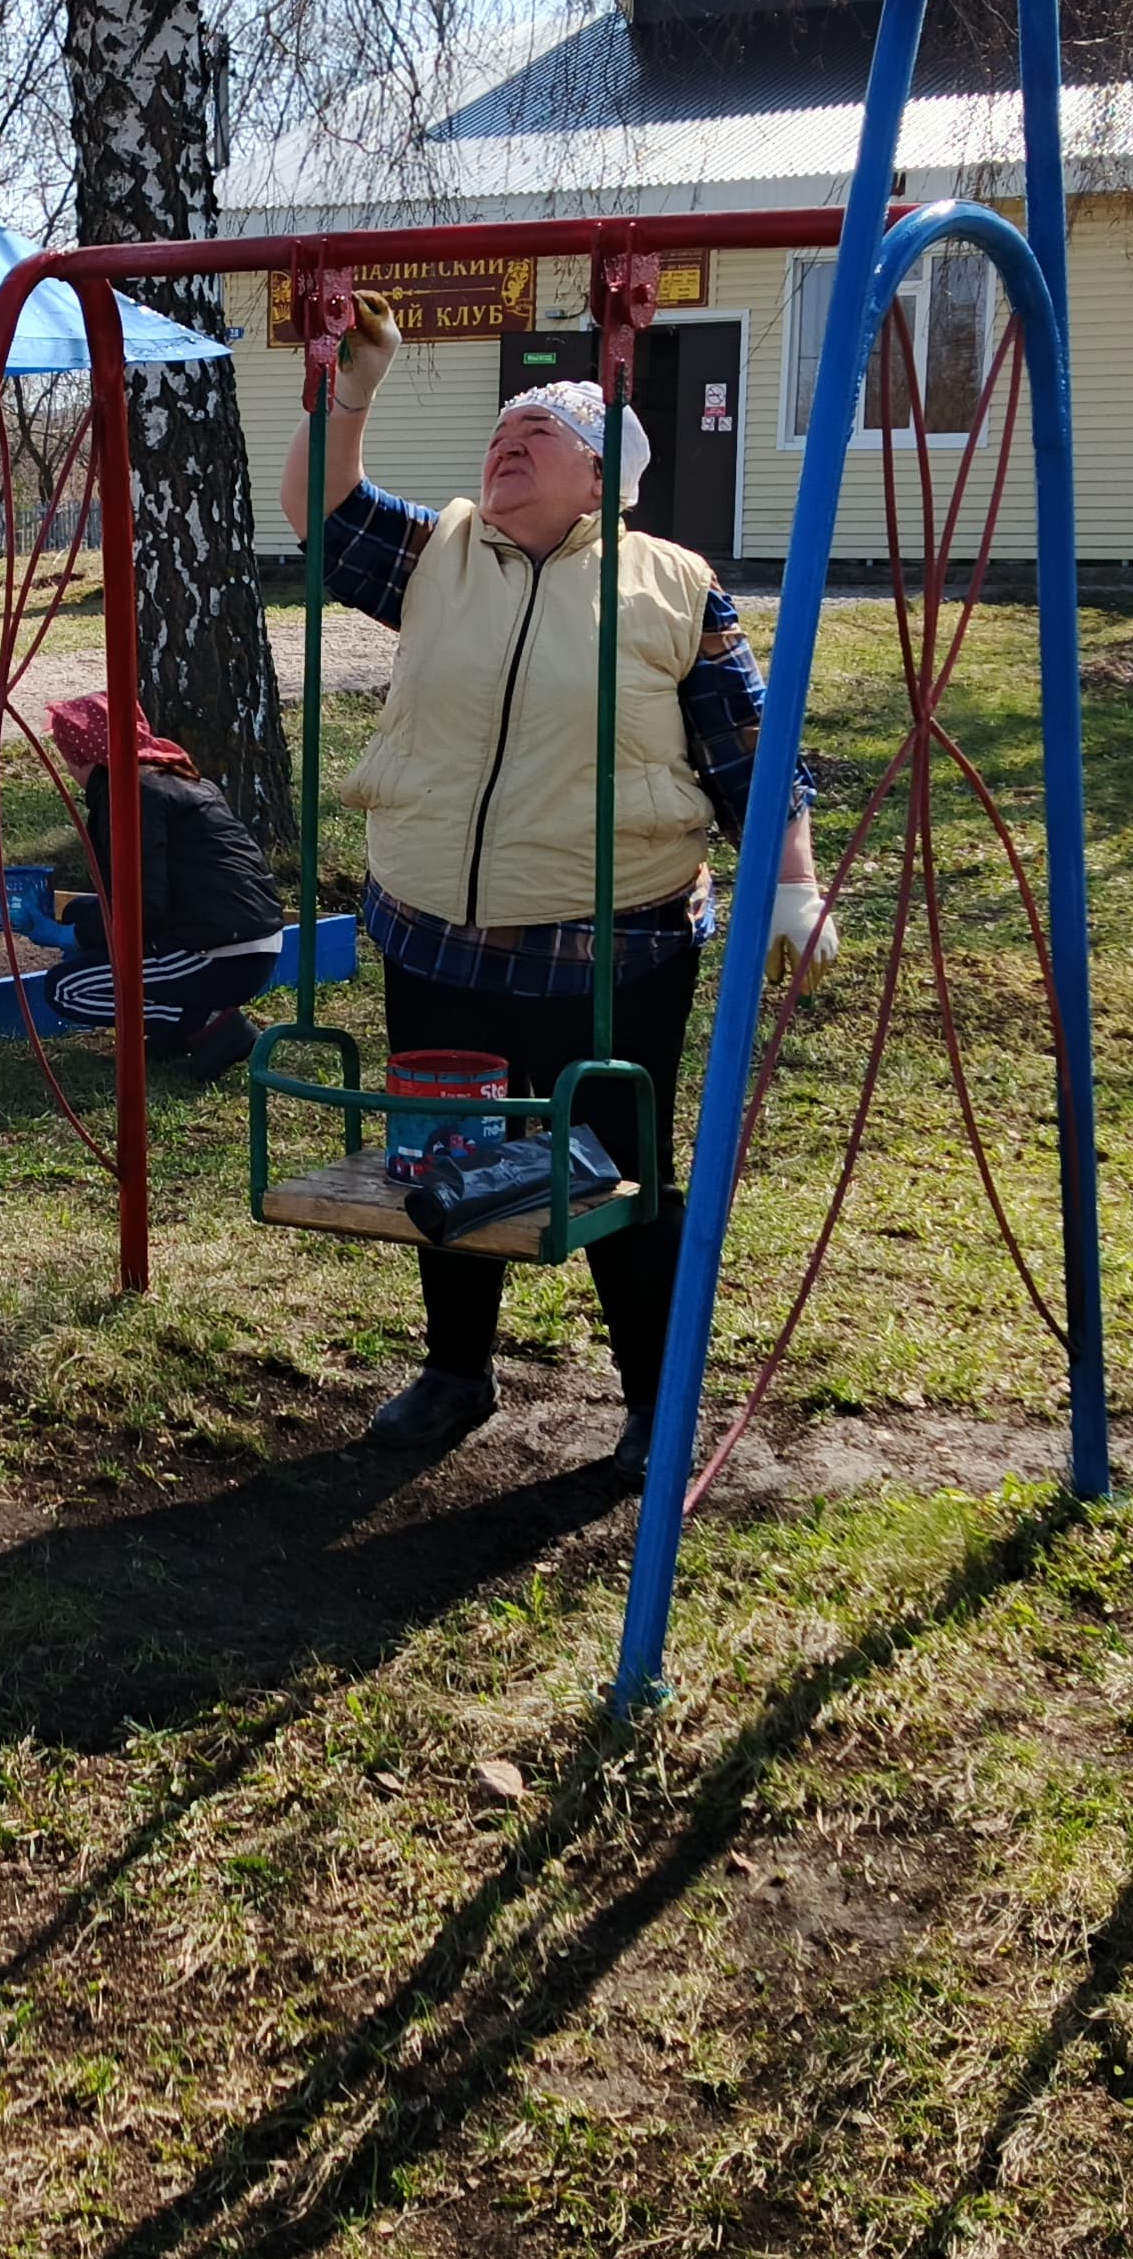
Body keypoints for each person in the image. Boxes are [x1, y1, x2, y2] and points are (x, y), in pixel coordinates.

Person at [279, 293, 838, 1476]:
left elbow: (747, 746)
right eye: (499, 432)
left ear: (600, 479)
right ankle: (454, 1371)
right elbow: (319, 514)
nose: (507, 444)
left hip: (611, 948)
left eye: (538, 434)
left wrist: (791, 883)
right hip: (436, 935)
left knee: (621, 1173)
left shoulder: (670, 584)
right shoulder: (439, 553)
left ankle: (649, 1401)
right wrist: (351, 391)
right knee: (448, 1158)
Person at [36, 690, 287, 1086]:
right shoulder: (166, 776)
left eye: (66, 755)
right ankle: (176, 1030)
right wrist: (83, 929)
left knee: (67, 988)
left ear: (84, 755)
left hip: (218, 952)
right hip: (245, 936)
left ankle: (208, 1024)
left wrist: (71, 937)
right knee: (80, 912)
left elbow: (142, 906)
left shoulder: (130, 796)